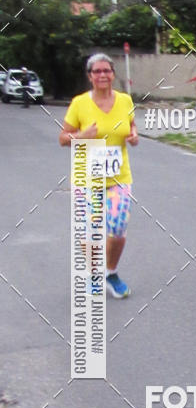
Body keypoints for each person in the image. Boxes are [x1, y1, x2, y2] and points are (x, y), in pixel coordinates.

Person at [59, 53, 138, 298]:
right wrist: (81, 137)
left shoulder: (125, 100)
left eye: (107, 70)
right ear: (90, 76)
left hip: (118, 177)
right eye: (97, 71)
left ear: (113, 74)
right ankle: (95, 273)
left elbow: (131, 125)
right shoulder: (79, 103)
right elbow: (63, 138)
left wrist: (133, 135)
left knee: (117, 229)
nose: (102, 75)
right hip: (86, 179)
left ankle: (110, 272)